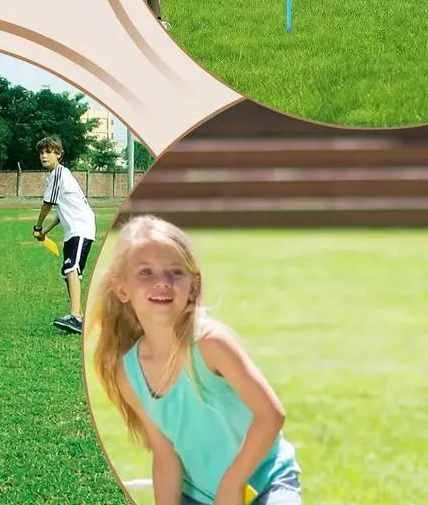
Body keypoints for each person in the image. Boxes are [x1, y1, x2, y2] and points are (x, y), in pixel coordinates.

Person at [89, 216, 302, 505]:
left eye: (175, 272)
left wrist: (232, 484)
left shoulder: (210, 344)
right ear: (122, 289)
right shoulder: (128, 372)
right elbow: (165, 455)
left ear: (194, 286)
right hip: (197, 495)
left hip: (265, 481)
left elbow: (271, 416)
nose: (162, 282)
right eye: (145, 273)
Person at [33, 135, 96, 334]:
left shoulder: (60, 173)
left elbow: (47, 204)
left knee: (71, 269)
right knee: (69, 272)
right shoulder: (54, 177)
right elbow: (61, 213)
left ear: (58, 154)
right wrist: (45, 232)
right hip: (73, 231)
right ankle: (80, 317)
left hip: (81, 228)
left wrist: (38, 225)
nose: (44, 155)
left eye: (48, 152)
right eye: (42, 152)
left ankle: (76, 317)